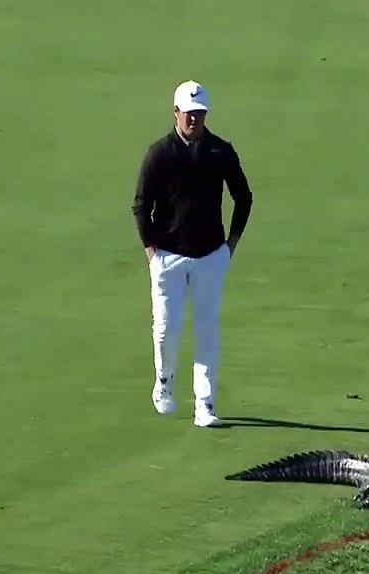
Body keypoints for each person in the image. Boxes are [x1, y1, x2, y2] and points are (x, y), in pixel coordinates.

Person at [132, 80, 253, 427]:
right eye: (189, 114)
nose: (194, 120)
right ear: (176, 112)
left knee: (207, 330)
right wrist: (151, 250)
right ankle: (165, 383)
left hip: (210, 256)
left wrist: (231, 245)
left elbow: (243, 197)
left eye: (200, 114)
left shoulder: (220, 152)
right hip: (167, 256)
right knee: (167, 328)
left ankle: (205, 404)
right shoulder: (159, 154)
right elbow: (141, 205)